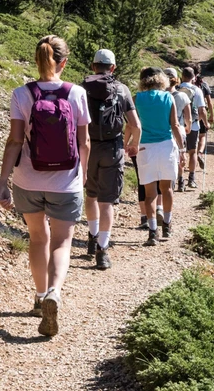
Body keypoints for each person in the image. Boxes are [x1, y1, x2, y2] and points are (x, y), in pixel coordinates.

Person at [0, 35, 90, 338]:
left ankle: (39, 298)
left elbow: (14, 141)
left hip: (28, 180)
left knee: (38, 238)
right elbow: (84, 142)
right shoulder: (77, 93)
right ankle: (54, 292)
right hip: (66, 182)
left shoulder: (21, 94)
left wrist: (3, 182)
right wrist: (82, 176)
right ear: (64, 62)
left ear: (37, 60)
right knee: (62, 241)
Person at [82, 49, 141, 270]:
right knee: (106, 202)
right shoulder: (122, 89)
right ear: (113, 68)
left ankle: (92, 236)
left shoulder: (81, 88)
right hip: (112, 148)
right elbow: (135, 124)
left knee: (91, 195)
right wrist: (133, 145)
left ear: (93, 66)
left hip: (87, 147)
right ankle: (102, 250)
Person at [134, 67, 186, 245]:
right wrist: (182, 150)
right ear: (161, 80)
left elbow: (133, 125)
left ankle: (152, 231)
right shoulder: (168, 97)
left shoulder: (137, 98)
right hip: (166, 146)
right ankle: (167, 225)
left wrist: (130, 144)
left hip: (145, 148)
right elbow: (175, 125)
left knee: (150, 194)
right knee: (167, 189)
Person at [179, 66, 208, 189]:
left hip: (178, 126)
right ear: (194, 77)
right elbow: (202, 110)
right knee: (192, 152)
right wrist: (205, 123)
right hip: (194, 125)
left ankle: (180, 182)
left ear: (182, 76)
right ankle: (191, 179)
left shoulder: (177, 89)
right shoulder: (197, 90)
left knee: (180, 152)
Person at [165, 67, 192, 192]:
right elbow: (188, 117)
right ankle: (181, 180)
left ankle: (169, 181)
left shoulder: (160, 96)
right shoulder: (183, 96)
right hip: (179, 129)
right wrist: (188, 127)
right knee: (180, 154)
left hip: (164, 130)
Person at [193, 65, 214, 168]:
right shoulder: (203, 84)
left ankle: (190, 158)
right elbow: (209, 102)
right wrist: (212, 115)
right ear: (199, 72)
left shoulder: (185, 84)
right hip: (202, 112)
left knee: (190, 137)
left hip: (188, 113)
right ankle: (200, 153)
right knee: (202, 136)